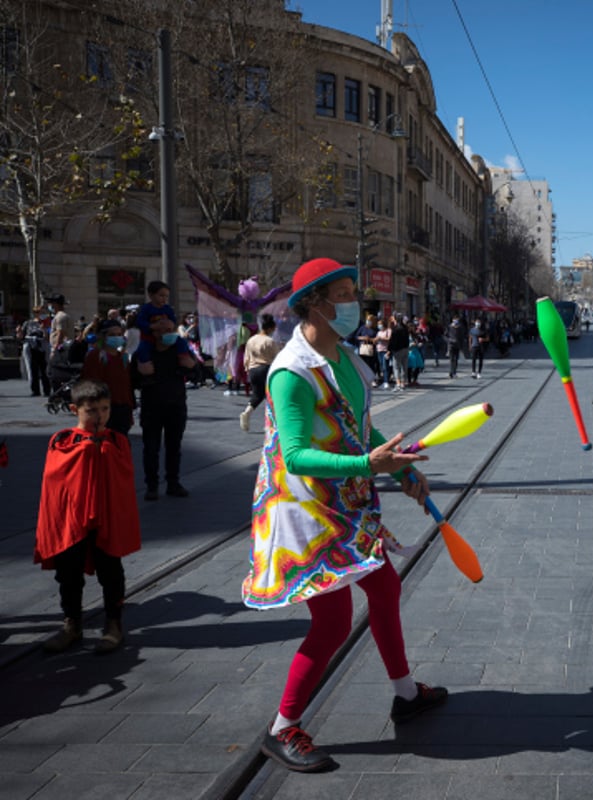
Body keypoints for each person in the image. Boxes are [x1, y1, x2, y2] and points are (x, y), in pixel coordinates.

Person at [245, 257, 446, 773]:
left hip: (347, 503)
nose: (357, 302)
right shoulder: (291, 373)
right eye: (345, 292)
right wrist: (366, 463)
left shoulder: (349, 362)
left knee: (383, 589)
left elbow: (360, 428)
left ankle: (404, 693)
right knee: (333, 622)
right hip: (307, 512)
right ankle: (281, 728)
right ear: (314, 302)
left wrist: (398, 469)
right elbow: (294, 455)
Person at [35, 379, 141, 654]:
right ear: (75, 410)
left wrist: (101, 450)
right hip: (72, 521)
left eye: (105, 409)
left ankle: (113, 624)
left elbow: (122, 476)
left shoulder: (117, 440)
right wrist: (86, 450)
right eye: (92, 410)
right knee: (68, 574)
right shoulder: (62, 440)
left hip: (105, 519)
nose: (100, 416)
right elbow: (55, 478)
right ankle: (72, 624)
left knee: (111, 571)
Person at [138, 322, 197, 501]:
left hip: (176, 406)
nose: (169, 333)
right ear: (154, 332)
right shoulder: (144, 353)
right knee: (151, 448)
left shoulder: (180, 351)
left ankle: (173, 483)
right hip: (151, 408)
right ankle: (152, 486)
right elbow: (134, 379)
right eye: (163, 330)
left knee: (174, 446)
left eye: (171, 330)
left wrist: (191, 365)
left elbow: (197, 374)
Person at [81, 319, 135, 436]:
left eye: (119, 334)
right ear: (103, 337)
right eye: (112, 335)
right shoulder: (96, 356)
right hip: (104, 410)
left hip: (123, 410)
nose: (116, 337)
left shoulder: (123, 358)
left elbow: (127, 387)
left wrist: (129, 412)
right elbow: (91, 387)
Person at [240, 314, 283, 432]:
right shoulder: (270, 341)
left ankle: (247, 412)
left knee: (257, 395)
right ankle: (274, 423)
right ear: (269, 328)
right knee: (272, 396)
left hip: (253, 370)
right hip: (266, 369)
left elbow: (246, 358)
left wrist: (247, 369)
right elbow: (277, 358)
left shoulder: (251, 340)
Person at [20, 308, 51, 397]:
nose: (40, 314)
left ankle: (47, 389)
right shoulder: (28, 323)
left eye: (41, 312)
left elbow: (47, 336)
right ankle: (35, 390)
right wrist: (20, 333)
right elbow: (22, 335)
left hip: (42, 348)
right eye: (37, 312)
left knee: (44, 369)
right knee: (33, 369)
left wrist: (44, 329)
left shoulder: (46, 322)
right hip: (31, 347)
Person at [388, 315, 411, 389]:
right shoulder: (405, 328)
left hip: (397, 349)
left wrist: (390, 349)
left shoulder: (395, 329)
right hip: (405, 349)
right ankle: (403, 382)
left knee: (396, 367)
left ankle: (398, 382)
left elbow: (393, 340)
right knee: (404, 366)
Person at [445, 314, 467, 378]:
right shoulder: (449, 327)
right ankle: (451, 372)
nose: (456, 320)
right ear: (452, 320)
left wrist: (462, 347)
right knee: (452, 359)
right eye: (455, 319)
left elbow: (462, 337)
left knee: (456, 359)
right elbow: (445, 335)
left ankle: (454, 371)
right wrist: (448, 340)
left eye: (457, 319)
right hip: (451, 345)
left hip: (458, 345)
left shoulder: (460, 327)